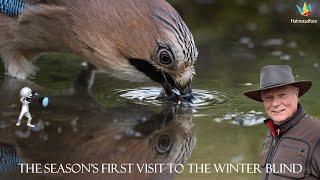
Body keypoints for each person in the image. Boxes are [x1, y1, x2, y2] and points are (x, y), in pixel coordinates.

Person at [244, 65, 320, 179]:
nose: (275, 103)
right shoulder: (272, 132)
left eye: (282, 95)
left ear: (296, 94)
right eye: (269, 97)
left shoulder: (316, 133)